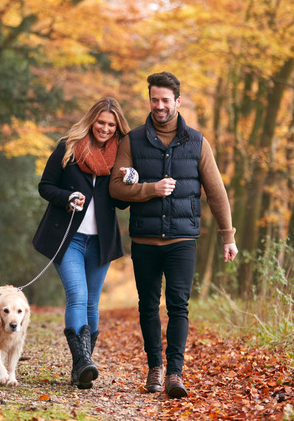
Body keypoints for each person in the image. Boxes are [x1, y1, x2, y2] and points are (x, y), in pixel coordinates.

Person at [109, 72, 238, 398]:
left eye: (166, 100)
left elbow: (216, 192)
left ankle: (175, 374)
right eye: (155, 99)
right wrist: (150, 189)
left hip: (182, 240)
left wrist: (228, 236)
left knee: (179, 306)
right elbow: (115, 188)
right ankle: (155, 368)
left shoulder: (197, 142)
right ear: (149, 100)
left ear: (177, 102)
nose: (160, 106)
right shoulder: (132, 141)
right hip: (144, 240)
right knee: (148, 306)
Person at [32, 96, 131, 389]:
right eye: (101, 122)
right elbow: (45, 186)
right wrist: (67, 197)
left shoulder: (121, 157)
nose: (105, 128)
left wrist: (128, 181)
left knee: (92, 302)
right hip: (69, 238)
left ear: (117, 127)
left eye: (111, 125)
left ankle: (81, 368)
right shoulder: (69, 147)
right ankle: (83, 363)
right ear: (92, 120)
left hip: (101, 242)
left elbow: (122, 204)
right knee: (77, 294)